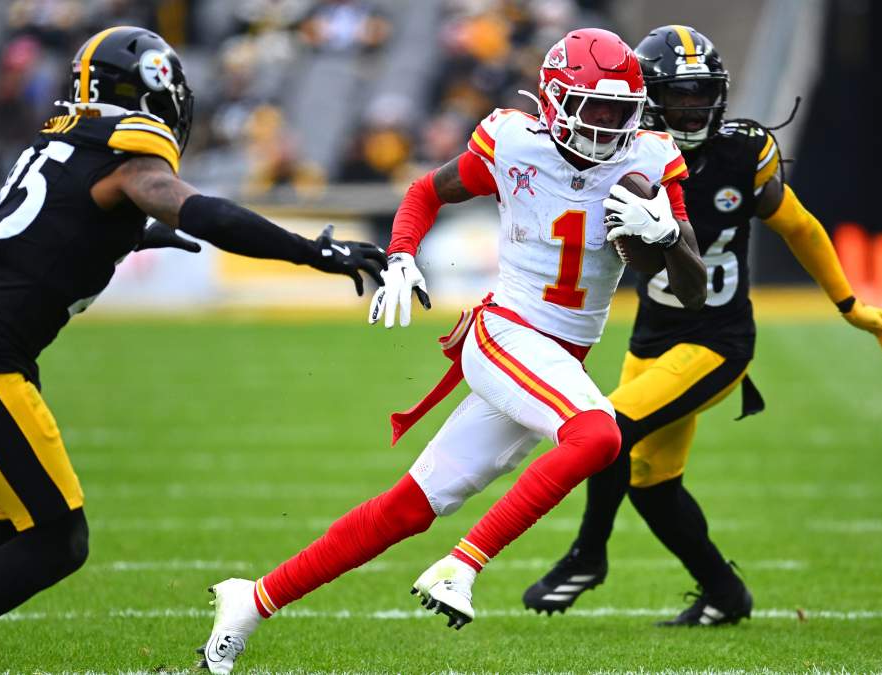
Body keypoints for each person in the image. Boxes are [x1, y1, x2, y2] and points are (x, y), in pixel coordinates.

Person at [0, 26, 386, 674]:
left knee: (15, 524)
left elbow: (56, 224)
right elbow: (202, 211)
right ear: (151, 92)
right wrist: (313, 251)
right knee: (58, 541)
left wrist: (130, 234)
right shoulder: (128, 152)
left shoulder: (64, 142)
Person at [198, 28, 707, 674]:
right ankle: (462, 564)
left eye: (619, 111)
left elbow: (691, 291)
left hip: (554, 362)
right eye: (594, 108)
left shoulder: (652, 160)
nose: (607, 126)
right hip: (506, 334)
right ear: (555, 102)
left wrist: (667, 236)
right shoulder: (515, 142)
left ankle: (252, 599)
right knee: (598, 435)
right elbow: (424, 192)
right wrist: (401, 253)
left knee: (409, 507)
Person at [521, 25, 882, 626]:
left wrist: (848, 304)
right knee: (651, 483)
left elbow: (800, 226)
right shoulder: (627, 153)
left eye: (702, 93)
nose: (692, 107)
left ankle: (586, 557)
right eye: (678, 95)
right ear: (648, 100)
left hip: (716, 340)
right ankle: (726, 595)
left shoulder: (740, 154)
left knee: (607, 429)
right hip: (652, 337)